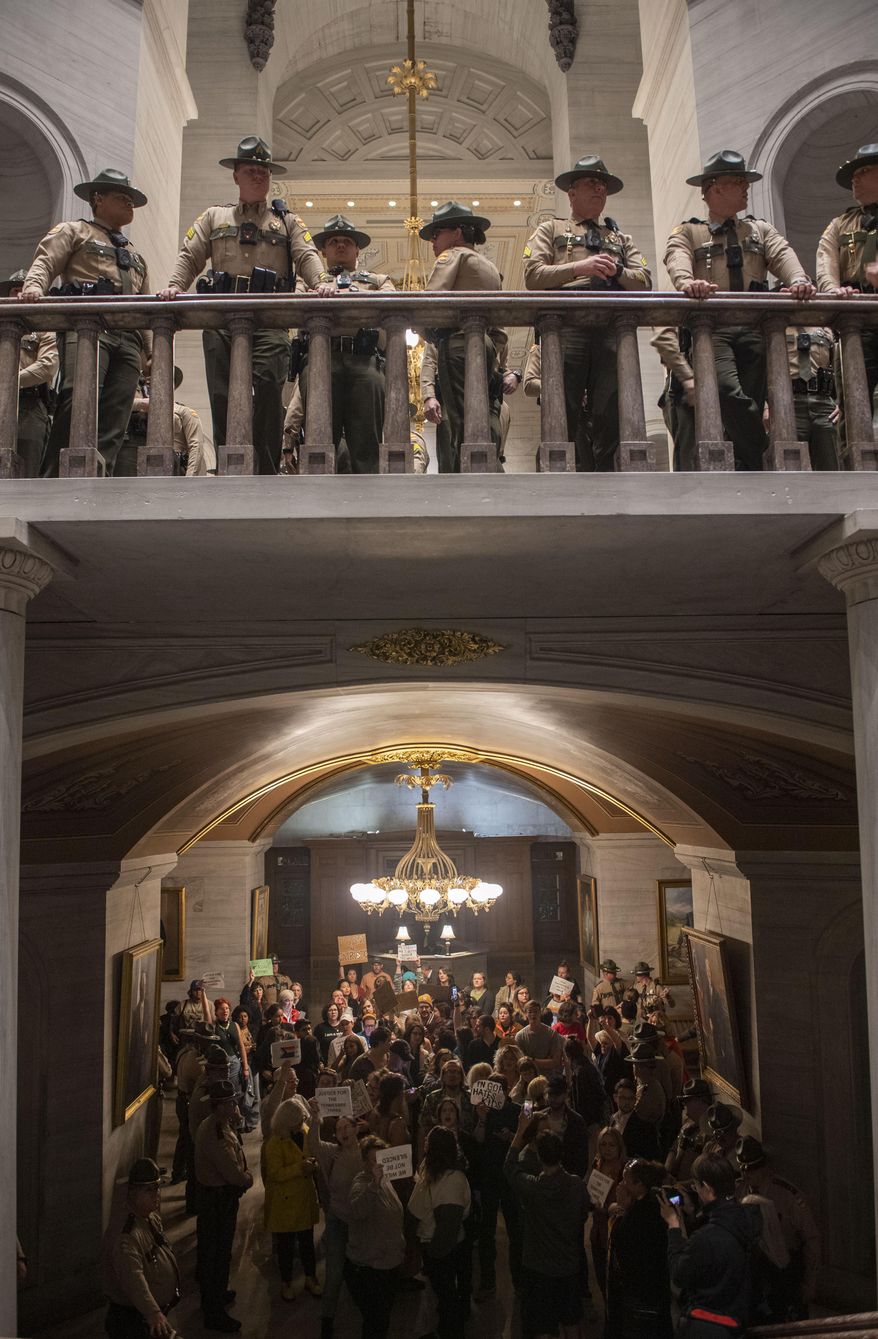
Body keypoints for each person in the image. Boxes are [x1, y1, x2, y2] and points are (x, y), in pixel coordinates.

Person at [160, 136, 332, 474]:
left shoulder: (286, 222)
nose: (259, 177)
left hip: (270, 318)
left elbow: (307, 255)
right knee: (223, 395)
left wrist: (322, 284)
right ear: (236, 175)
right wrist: (174, 288)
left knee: (269, 389)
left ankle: (265, 469)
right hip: (222, 317)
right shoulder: (214, 217)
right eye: (251, 171)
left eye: (264, 172)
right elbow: (190, 256)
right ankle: (230, 465)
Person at [664, 149, 815, 471]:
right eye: (738, 182)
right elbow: (676, 260)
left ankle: (750, 470)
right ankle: (762, 451)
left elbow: (783, 256)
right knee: (724, 390)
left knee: (752, 398)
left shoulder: (759, 231)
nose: (746, 188)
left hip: (755, 328)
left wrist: (799, 280)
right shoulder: (689, 232)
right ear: (714, 188)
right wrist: (687, 283)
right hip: (714, 328)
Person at [19, 168, 150, 477]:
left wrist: (151, 348)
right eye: (122, 198)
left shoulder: (134, 254)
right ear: (98, 199)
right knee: (78, 400)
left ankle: (98, 478)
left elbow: (146, 303)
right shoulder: (74, 231)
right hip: (88, 330)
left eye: (132, 200)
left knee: (116, 414)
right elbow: (45, 261)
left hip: (128, 339)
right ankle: (56, 476)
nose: (130, 205)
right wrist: (33, 288)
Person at [524, 153, 651, 470]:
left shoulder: (620, 238)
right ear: (572, 193)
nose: (599, 190)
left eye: (603, 185)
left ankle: (608, 478)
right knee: (562, 407)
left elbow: (644, 281)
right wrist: (579, 267)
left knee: (610, 408)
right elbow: (533, 276)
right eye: (592, 183)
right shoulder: (551, 229)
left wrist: (617, 271)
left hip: (611, 325)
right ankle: (557, 478)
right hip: (567, 324)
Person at [296, 213, 395, 473]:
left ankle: (368, 508)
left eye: (347, 241)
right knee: (318, 444)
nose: (340, 245)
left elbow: (392, 307)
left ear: (357, 249)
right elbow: (290, 308)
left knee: (367, 448)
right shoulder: (306, 281)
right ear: (323, 250)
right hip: (321, 362)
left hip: (365, 363)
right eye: (334, 241)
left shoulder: (378, 281)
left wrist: (343, 293)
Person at [419, 201, 510, 472]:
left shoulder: (453, 256)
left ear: (457, 233)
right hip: (486, 346)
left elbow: (431, 301)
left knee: (462, 423)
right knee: (480, 418)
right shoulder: (490, 268)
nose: (433, 241)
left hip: (458, 344)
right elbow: (501, 331)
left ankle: (471, 482)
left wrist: (425, 332)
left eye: (437, 234)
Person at [817, 143, 878, 458]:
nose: (856, 179)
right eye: (853, 174)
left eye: (864, 171)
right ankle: (856, 465)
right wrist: (833, 290)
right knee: (852, 402)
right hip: (856, 323)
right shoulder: (840, 225)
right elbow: (825, 265)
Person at [504, 1113, 588, 1339]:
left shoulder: (533, 1188)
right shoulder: (577, 1185)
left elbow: (510, 1167)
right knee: (571, 1322)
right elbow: (582, 1217)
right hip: (568, 1267)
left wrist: (520, 1133)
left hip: (538, 1269)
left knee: (542, 1327)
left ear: (540, 1157)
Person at [660, 1152, 756, 1338]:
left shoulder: (706, 1239)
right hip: (735, 1321)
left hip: (707, 1327)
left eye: (696, 1186)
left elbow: (679, 1274)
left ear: (705, 1187)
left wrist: (673, 1225)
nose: (695, 1190)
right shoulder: (746, 1218)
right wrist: (694, 1212)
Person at [736, 1135, 820, 1319]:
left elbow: (811, 1239)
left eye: (752, 1169)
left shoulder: (787, 1195)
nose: (747, 1175)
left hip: (786, 1270)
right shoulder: (740, 1190)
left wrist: (810, 1283)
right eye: (744, 1170)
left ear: (764, 1167)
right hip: (755, 1272)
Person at [194, 1079, 253, 1332]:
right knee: (215, 1255)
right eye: (230, 1103)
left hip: (218, 1197)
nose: (234, 1105)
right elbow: (232, 1172)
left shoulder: (219, 1124)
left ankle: (217, 1294)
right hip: (216, 1201)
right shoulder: (214, 1133)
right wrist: (247, 1178)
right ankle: (213, 1311)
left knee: (218, 1253)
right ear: (218, 1106)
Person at [408, 1125, 472, 1339]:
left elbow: (418, 1212)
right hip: (452, 1244)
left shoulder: (440, 1179)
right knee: (447, 1295)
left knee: (445, 1295)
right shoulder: (453, 1174)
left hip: (438, 1248)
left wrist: (430, 1253)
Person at [103, 1158, 180, 1338]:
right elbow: (133, 1278)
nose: (156, 1194)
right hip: (134, 1320)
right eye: (148, 1190)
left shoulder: (148, 1216)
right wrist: (153, 1312)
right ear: (133, 1192)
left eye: (157, 1188)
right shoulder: (126, 1235)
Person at [306, 1103, 362, 1339]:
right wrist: (316, 1120)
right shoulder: (332, 1153)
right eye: (339, 1128)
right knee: (335, 1273)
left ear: (356, 1129)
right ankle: (327, 1319)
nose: (343, 1131)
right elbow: (313, 1145)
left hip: (361, 1221)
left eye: (347, 1126)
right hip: (339, 1220)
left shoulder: (368, 1151)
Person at [344, 1135, 405, 1338]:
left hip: (388, 1263)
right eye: (374, 1160)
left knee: (382, 1319)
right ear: (364, 1163)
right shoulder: (362, 1183)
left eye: (382, 1159)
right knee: (375, 1322)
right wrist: (374, 1186)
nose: (379, 1164)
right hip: (371, 1268)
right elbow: (357, 1210)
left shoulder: (384, 1181)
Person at [605, 1157, 673, 1339]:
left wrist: (622, 1209)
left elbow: (621, 1242)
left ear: (639, 1185)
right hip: (656, 1290)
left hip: (639, 1294)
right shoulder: (656, 1203)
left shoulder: (637, 1216)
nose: (621, 1184)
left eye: (625, 1180)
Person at [262, 1098, 321, 1302]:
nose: (301, 1123)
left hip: (303, 1197)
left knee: (307, 1243)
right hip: (286, 1202)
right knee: (286, 1247)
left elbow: (312, 1148)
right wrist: (300, 1168)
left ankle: (310, 1277)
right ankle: (286, 1282)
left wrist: (313, 1163)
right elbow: (275, 1173)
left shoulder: (302, 1131)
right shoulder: (274, 1144)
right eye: (298, 1121)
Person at [0, 270, 57, 477]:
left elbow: (48, 365)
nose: (19, 296)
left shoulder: (45, 328)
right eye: (15, 291)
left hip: (29, 405)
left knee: (26, 472)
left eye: (24, 291)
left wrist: (8, 382)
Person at [588, 1125, 626, 1300]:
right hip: (598, 1231)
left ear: (619, 1147)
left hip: (617, 1234)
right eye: (603, 1145)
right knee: (602, 1281)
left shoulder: (626, 1171)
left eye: (612, 1145)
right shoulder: (597, 1164)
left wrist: (610, 1207)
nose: (607, 1149)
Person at [651, 328, 697, 471]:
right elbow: (663, 337)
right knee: (688, 456)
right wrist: (687, 376)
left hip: (691, 380)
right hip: (683, 387)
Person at [666, 1078, 714, 1180]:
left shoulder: (710, 1132)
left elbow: (704, 1175)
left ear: (700, 1101)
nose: (684, 1106)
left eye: (687, 1101)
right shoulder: (688, 1123)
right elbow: (673, 1149)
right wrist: (667, 1171)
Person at [515, 998, 565, 1074]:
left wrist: (531, 1060)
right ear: (526, 1014)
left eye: (535, 1011)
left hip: (549, 1076)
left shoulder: (551, 1033)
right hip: (529, 1076)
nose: (533, 1014)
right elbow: (521, 1063)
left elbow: (555, 1061)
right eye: (530, 1012)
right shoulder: (520, 1036)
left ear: (540, 1012)